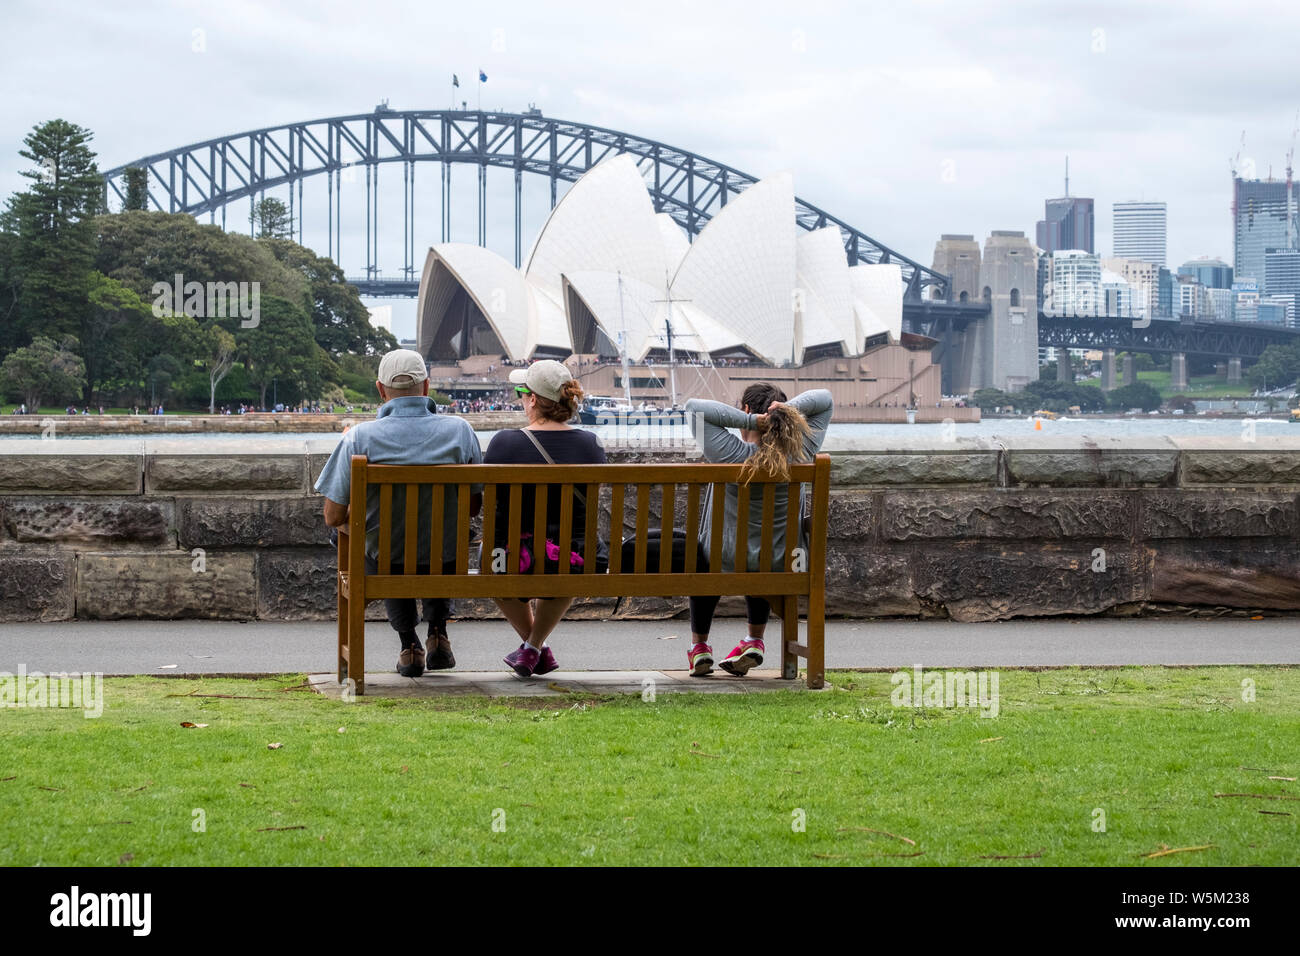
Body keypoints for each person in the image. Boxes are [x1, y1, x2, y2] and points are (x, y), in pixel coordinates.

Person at [315, 349, 483, 677]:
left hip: (386, 559)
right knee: (440, 536)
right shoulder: (460, 431)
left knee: (379, 544)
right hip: (447, 557)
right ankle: (438, 633)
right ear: (426, 386)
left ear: (380, 390)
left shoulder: (359, 437)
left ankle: (409, 645)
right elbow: (474, 506)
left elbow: (333, 517)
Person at [683, 385, 833, 677]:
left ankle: (699, 647)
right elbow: (825, 400)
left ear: (747, 411)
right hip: (785, 562)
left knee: (706, 553)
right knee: (762, 553)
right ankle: (754, 640)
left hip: (721, 558)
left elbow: (692, 407)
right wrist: (782, 412)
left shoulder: (730, 452)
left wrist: (753, 422)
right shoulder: (800, 452)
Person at [483, 360, 606, 677]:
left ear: (534, 398)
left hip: (508, 559)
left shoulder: (504, 443)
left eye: (522, 392)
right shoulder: (590, 445)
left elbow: (492, 506)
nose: (521, 398)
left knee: (490, 562)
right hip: (576, 557)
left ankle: (533, 648)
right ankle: (534, 648)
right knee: (565, 556)